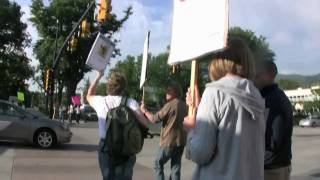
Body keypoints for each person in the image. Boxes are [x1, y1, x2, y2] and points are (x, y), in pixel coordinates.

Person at [183, 37, 266, 180]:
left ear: (218, 60)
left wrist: (192, 129)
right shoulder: (255, 96)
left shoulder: (214, 93)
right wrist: (200, 106)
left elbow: (200, 153)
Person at [86, 71, 148, 180]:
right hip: (126, 146)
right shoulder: (131, 102)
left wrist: (98, 77)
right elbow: (144, 123)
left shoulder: (101, 101)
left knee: (108, 176)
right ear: (123, 87)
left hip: (106, 146)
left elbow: (89, 95)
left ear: (108, 86)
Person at [140, 82, 187, 180]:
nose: (166, 92)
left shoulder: (170, 105)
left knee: (158, 164)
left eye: (169, 90)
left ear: (176, 92)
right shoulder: (184, 105)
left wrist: (144, 111)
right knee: (175, 167)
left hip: (168, 142)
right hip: (181, 141)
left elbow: (154, 119)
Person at [255, 60, 293, 180]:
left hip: (271, 170)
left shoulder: (272, 100)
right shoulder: (276, 96)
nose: (254, 77)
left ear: (269, 74)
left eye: (258, 73)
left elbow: (273, 142)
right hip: (276, 166)